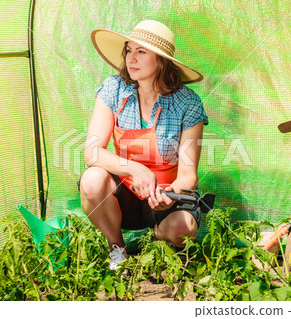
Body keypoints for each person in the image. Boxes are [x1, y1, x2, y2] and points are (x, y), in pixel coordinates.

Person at [78, 20, 208, 270]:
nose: (131, 59)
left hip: (165, 196)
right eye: (128, 50)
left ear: (161, 60)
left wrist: (169, 197)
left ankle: (155, 243)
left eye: (141, 52)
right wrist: (135, 170)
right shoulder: (113, 89)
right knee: (92, 180)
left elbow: (188, 175)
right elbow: (92, 153)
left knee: (184, 228)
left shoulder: (188, 103)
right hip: (123, 195)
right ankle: (117, 250)